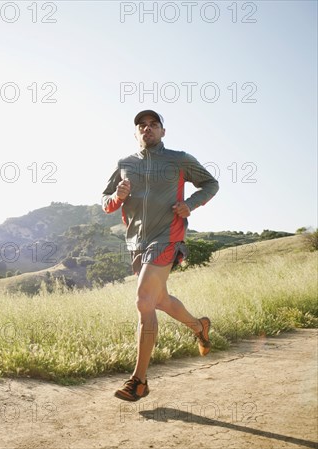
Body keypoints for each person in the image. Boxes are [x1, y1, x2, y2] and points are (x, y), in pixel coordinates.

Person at [102, 110, 219, 402]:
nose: (147, 128)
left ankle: (138, 381)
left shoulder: (178, 159)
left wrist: (190, 204)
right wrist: (118, 196)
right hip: (137, 244)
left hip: (167, 237)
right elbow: (106, 203)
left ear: (163, 132)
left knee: (144, 300)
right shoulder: (125, 164)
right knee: (160, 300)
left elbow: (211, 184)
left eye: (153, 124)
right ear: (136, 134)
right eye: (141, 125)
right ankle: (199, 326)